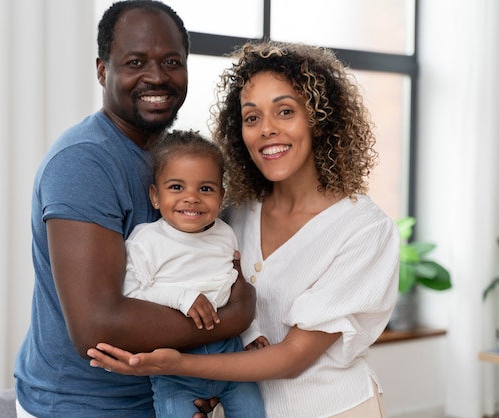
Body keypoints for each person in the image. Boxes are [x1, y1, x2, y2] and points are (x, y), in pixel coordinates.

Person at [87, 40, 400, 418]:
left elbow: (292, 358)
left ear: (319, 119)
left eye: (285, 111)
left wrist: (178, 367)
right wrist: (206, 389)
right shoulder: (234, 215)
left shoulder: (363, 229)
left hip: (337, 409)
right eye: (252, 117)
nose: (266, 129)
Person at [13, 2, 256, 417]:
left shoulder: (182, 161)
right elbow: (98, 326)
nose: (157, 76)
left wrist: (203, 376)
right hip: (81, 407)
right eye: (135, 61)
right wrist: (234, 316)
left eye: (172, 61)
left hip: (169, 394)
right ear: (103, 70)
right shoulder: (83, 162)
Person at [123, 129, 268, 418]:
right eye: (176, 187)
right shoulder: (146, 241)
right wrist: (182, 297)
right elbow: (129, 294)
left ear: (221, 196)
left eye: (205, 189)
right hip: (175, 371)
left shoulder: (225, 235)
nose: (191, 198)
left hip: (232, 360)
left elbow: (231, 287)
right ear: (155, 195)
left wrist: (252, 332)